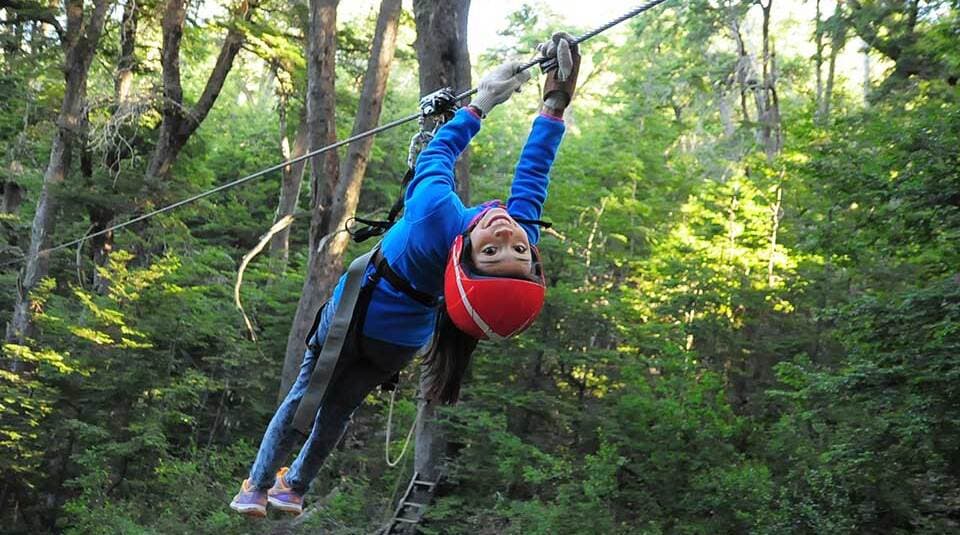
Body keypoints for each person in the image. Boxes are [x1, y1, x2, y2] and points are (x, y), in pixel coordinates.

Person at [230, 33, 581, 517]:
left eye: (492, 250)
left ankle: (256, 486)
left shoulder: (436, 216)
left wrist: (479, 105)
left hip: (356, 313)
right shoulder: (511, 242)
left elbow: (436, 158)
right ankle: (294, 487)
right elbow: (533, 177)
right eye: (519, 249)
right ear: (529, 257)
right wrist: (554, 104)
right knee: (340, 406)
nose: (507, 234)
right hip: (400, 340)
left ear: (463, 259)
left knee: (306, 394)